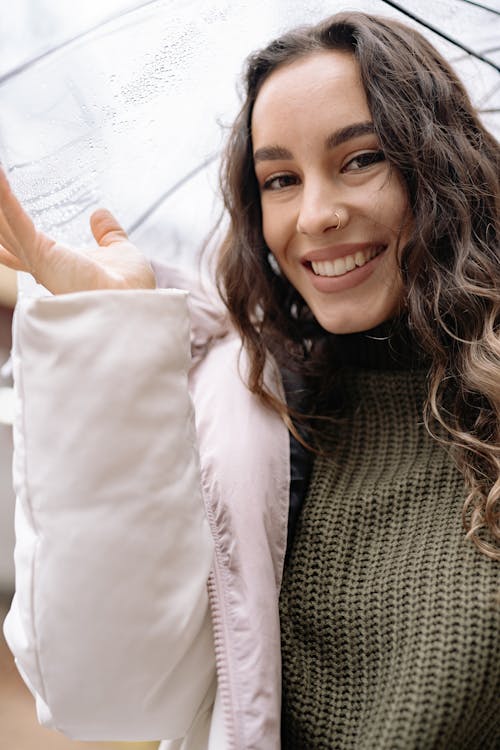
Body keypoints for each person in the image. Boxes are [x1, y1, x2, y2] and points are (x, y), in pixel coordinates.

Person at [0, 10, 499, 750]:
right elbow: (110, 694)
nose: (317, 215)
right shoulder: (249, 413)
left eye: (361, 159)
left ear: (443, 165)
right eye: (280, 180)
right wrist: (108, 334)